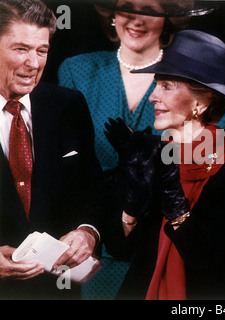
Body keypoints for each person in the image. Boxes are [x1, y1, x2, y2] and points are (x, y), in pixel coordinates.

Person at [103, 30, 225, 299]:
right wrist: (132, 204)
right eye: (156, 84)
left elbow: (210, 259)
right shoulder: (150, 153)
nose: (152, 97)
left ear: (201, 103)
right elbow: (118, 249)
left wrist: (176, 205)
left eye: (167, 86)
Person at [57, 0, 197, 299]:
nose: (137, 20)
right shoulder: (77, 70)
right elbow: (65, 166)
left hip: (159, 243)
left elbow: (201, 161)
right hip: (91, 242)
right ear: (112, 13)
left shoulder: (193, 80)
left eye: (150, 10)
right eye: (127, 8)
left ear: (168, 17)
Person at [0, 0, 104, 299]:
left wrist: (88, 231)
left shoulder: (67, 105)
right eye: (20, 49)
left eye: (41, 50)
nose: (33, 63)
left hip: (57, 291)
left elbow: (92, 188)